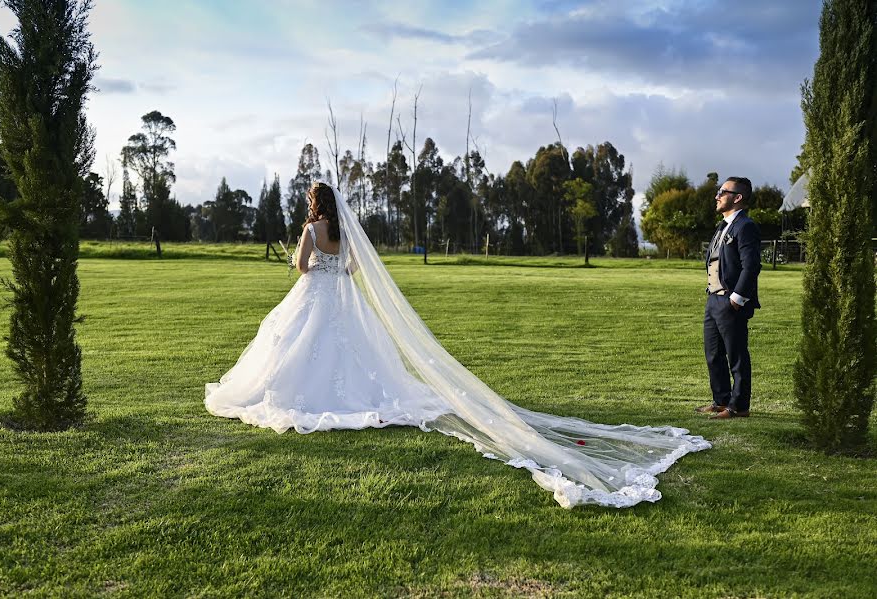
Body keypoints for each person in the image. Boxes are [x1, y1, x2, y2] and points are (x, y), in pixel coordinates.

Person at [207, 182, 711, 508]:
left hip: (314, 292)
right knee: (347, 351)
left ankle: (308, 398)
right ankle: (351, 398)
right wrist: (336, 269)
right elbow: (358, 268)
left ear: (314, 206)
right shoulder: (346, 233)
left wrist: (314, 260)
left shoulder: (312, 230)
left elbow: (298, 267)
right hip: (338, 296)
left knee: (294, 347)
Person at [696, 177, 761, 420]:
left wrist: (737, 298)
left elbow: (751, 265)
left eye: (723, 191)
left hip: (731, 301)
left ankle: (739, 406)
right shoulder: (723, 226)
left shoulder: (745, 226)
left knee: (736, 355)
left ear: (738, 197)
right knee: (713, 354)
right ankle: (721, 400)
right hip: (713, 300)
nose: (717, 195)